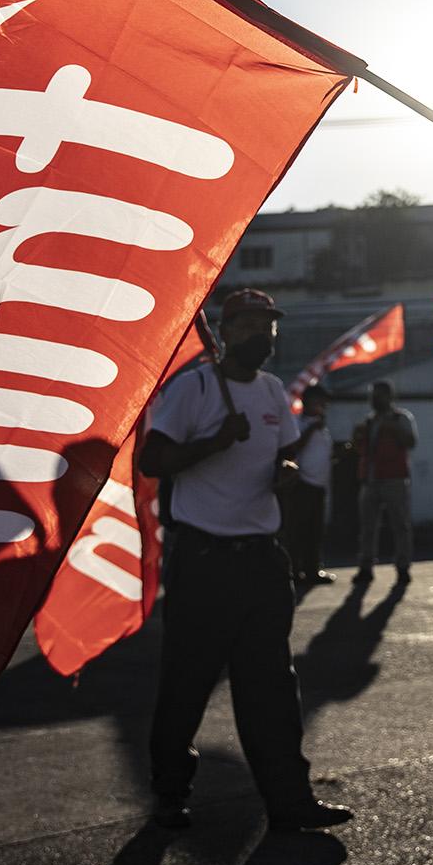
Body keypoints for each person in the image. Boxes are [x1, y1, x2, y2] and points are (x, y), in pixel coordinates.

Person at [137, 288, 351, 833]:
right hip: (204, 560)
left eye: (270, 326)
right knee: (186, 685)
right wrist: (212, 442)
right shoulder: (195, 388)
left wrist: (283, 468)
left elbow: (280, 451)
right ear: (226, 331)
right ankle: (169, 795)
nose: (264, 335)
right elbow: (153, 459)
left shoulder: (275, 391)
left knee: (273, 691)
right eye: (252, 325)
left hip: (260, 560)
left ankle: (289, 803)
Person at [354, 379, 418, 584]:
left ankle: (403, 567)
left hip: (395, 479)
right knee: (367, 526)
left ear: (389, 397)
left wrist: (393, 428)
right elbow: (361, 449)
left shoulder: (401, 418)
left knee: (400, 525)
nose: (374, 399)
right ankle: (366, 566)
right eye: (372, 395)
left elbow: (411, 442)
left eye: (378, 395)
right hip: (371, 479)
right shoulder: (369, 421)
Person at [281, 383, 336, 588]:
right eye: (319, 401)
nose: (323, 405)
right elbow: (294, 448)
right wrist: (312, 428)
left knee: (315, 530)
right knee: (298, 529)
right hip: (302, 483)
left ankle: (313, 569)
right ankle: (295, 570)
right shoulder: (298, 422)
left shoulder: (322, 426)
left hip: (319, 485)